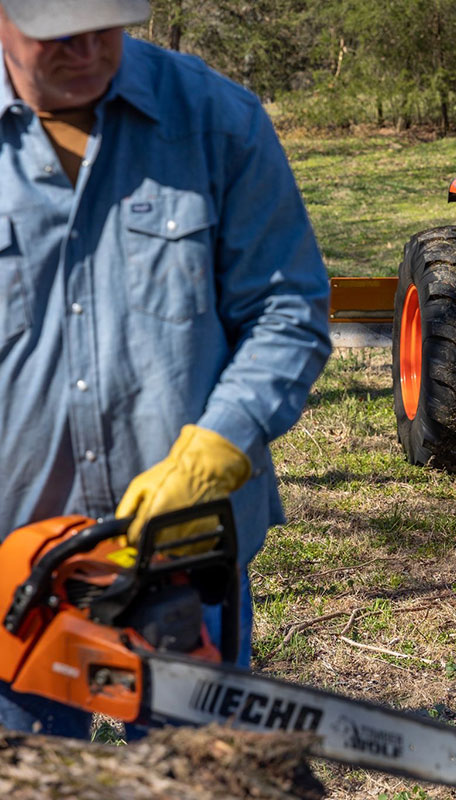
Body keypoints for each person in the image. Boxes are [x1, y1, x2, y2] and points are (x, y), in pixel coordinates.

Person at [0, 0, 331, 736]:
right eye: (59, 32)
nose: (86, 46)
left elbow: (289, 311)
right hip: (13, 569)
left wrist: (221, 444)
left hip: (183, 553)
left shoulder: (217, 120)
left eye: (106, 23)